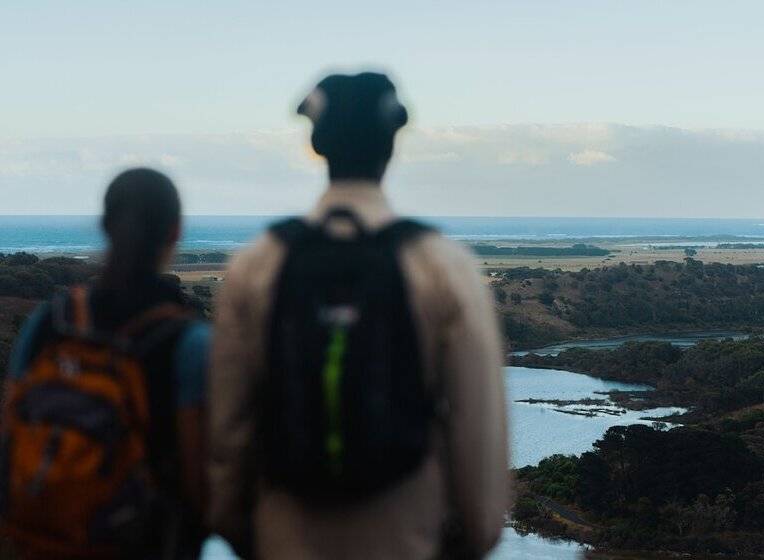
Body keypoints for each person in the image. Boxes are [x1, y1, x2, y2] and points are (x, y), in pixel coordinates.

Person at [209, 72, 509, 559]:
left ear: (318, 146)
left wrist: (243, 528)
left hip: (286, 536)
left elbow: (228, 433)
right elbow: (477, 430)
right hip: (405, 536)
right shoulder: (442, 266)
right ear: (391, 146)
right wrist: (473, 535)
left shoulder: (257, 264)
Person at [0, 168, 209, 559]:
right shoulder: (188, 344)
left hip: (42, 541)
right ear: (175, 232)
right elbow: (201, 484)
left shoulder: (49, 322)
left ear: (105, 226)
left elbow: (12, 430)